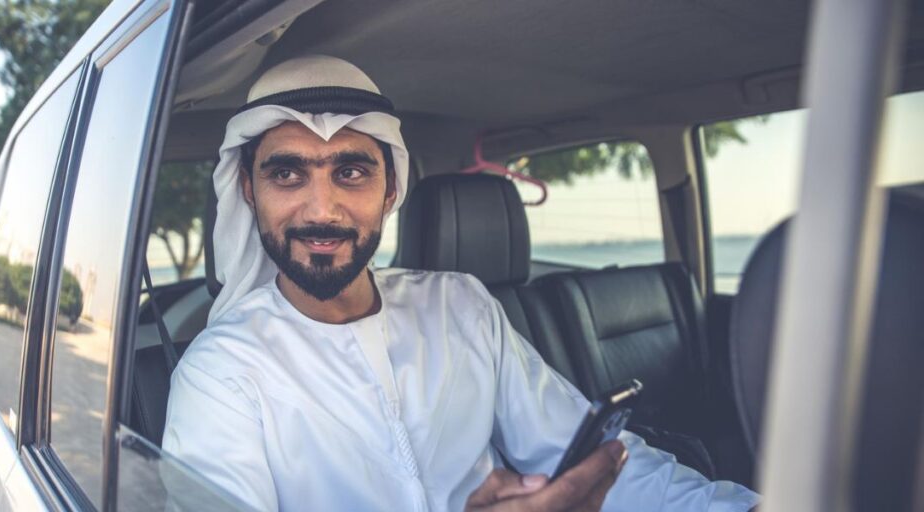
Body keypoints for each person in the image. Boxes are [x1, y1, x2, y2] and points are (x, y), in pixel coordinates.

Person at [162, 55, 760, 511]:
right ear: (249, 191)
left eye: (350, 172)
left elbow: (603, 462)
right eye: (288, 173)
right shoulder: (221, 373)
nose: (322, 209)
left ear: (390, 189)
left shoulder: (460, 306)